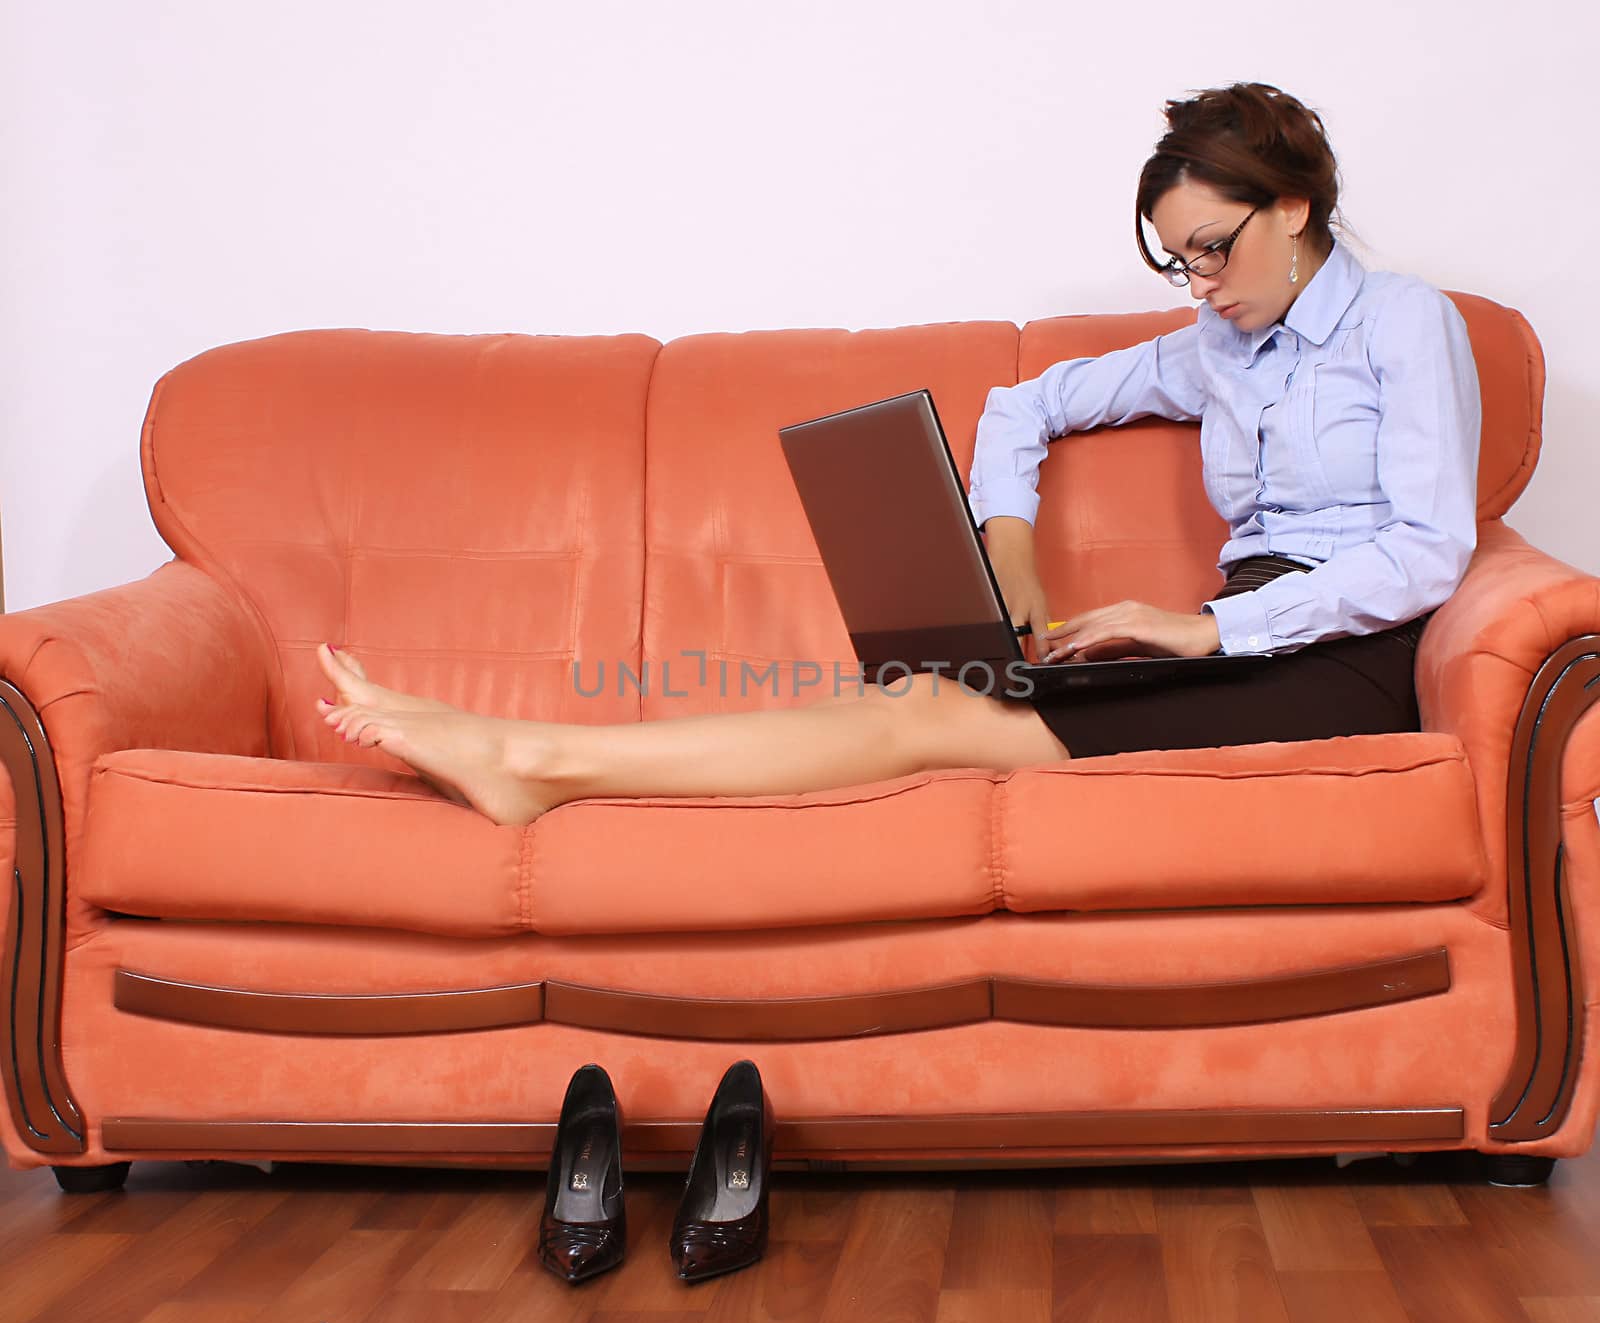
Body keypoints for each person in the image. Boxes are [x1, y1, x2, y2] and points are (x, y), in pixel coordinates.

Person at [315, 81, 1482, 828]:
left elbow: (1430, 552)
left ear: (1291, 210)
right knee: (922, 689)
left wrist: (1212, 626)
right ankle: (524, 752)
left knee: (931, 711)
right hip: (1239, 641)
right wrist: (1008, 544)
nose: (1201, 286)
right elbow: (1027, 406)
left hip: (1343, 655)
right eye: (1179, 263)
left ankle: (527, 756)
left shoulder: (1404, 323)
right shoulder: (1213, 348)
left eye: (1215, 250)